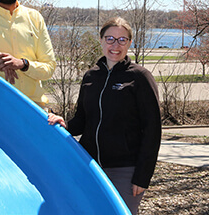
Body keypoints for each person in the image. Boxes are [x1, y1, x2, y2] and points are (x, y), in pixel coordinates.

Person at [48, 17, 161, 214]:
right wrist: (64, 124)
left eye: (122, 40)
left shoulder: (140, 77)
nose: (115, 45)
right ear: (101, 40)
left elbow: (153, 130)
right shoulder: (91, 76)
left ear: (129, 43)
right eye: (110, 39)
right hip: (90, 166)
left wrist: (143, 176)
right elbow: (82, 119)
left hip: (125, 170)